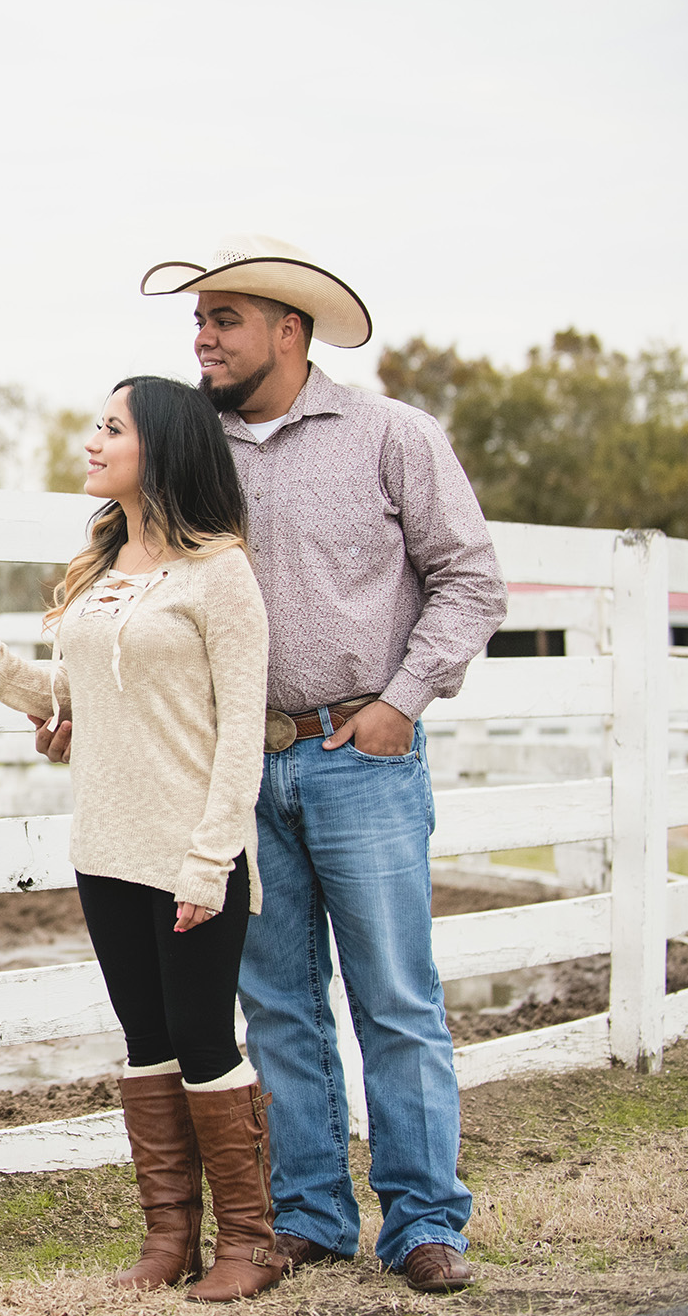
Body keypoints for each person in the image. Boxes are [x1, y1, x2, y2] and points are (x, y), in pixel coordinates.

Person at [113, 234, 507, 1295]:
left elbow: (469, 580)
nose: (201, 339)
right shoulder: (187, 451)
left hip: (358, 755)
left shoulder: (391, 436)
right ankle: (310, 1216)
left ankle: (423, 1220)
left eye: (222, 320)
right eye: (196, 323)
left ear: (286, 330)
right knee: (276, 1002)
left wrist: (399, 700)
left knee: (393, 995)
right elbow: (130, 584)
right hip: (236, 769)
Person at [0, 376, 283, 1301]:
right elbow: (66, 704)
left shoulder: (223, 575)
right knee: (145, 1043)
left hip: (192, 854)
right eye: (97, 425)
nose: (93, 441)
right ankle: (169, 1237)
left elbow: (240, 734)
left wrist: (212, 862)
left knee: (206, 1040)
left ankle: (250, 1242)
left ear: (160, 447)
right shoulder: (98, 573)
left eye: (112, 428)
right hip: (104, 848)